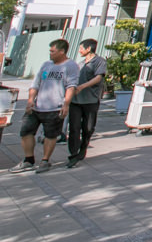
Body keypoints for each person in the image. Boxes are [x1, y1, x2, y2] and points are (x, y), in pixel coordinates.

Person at [10, 39, 78, 173]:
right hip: (37, 106)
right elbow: (35, 84)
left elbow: (71, 86)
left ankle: (45, 160)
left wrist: (66, 104)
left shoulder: (70, 66)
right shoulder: (46, 65)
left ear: (62, 51)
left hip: (55, 107)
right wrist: (30, 100)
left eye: (53, 51)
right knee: (26, 132)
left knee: (50, 135)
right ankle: (28, 160)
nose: (50, 54)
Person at [66, 38, 107, 168]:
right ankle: (73, 154)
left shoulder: (100, 62)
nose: (79, 51)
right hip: (76, 101)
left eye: (81, 48)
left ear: (88, 48)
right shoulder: (80, 63)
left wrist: (82, 87)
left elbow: (98, 78)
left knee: (88, 128)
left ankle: (84, 146)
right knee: (74, 127)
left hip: (91, 100)